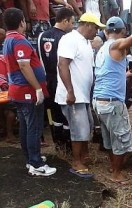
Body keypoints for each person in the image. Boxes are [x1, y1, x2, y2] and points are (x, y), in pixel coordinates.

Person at [92, 17, 132, 182]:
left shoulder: (103, 49)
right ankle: (117, 174)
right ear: (122, 32)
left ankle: (113, 167)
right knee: (121, 139)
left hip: (99, 100)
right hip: (112, 102)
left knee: (111, 139)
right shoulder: (116, 45)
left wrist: (126, 74)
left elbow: (107, 72)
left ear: (106, 31)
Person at [2, 7, 56, 176]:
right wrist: (38, 88)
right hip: (27, 91)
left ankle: (31, 158)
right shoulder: (18, 40)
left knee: (26, 126)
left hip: (18, 90)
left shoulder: (8, 40)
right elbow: (24, 65)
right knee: (33, 127)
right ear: (22, 22)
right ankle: (36, 164)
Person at [55, 12, 105, 177]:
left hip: (82, 95)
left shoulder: (85, 42)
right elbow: (62, 65)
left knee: (87, 127)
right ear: (88, 25)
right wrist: (70, 91)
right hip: (73, 95)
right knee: (79, 129)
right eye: (96, 28)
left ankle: (83, 157)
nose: (96, 31)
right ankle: (77, 162)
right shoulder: (70, 39)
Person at [37, 7, 75, 151]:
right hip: (61, 80)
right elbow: (64, 64)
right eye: (71, 22)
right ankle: (67, 146)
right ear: (64, 20)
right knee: (65, 113)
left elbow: (40, 60)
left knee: (53, 112)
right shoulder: (65, 38)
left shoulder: (42, 36)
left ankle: (58, 143)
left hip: (47, 80)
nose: (72, 26)